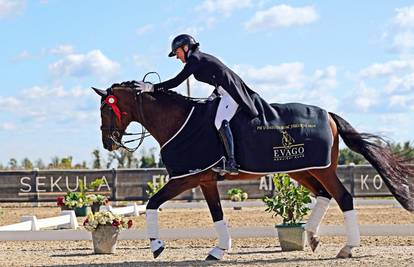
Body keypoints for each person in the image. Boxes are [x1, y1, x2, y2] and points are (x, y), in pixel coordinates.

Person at [136, 34, 260, 175]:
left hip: (232, 94)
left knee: (220, 121)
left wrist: (151, 88)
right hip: (224, 91)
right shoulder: (199, 58)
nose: (177, 57)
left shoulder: (195, 59)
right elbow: (219, 77)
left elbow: (176, 81)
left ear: (186, 47)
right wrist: (214, 95)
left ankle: (231, 162)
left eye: (177, 52)